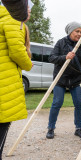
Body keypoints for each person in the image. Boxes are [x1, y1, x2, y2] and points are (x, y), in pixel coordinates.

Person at [46, 22, 81, 139]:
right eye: (77, 31)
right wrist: (65, 57)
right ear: (70, 32)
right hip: (60, 79)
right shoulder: (60, 43)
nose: (79, 34)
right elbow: (51, 58)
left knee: (79, 104)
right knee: (57, 103)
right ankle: (51, 128)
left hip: (77, 80)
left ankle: (78, 129)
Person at [0, 5, 32, 160]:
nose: (30, 12)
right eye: (28, 8)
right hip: (5, 80)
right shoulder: (14, 20)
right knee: (3, 122)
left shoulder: (2, 19)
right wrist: (28, 64)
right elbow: (17, 51)